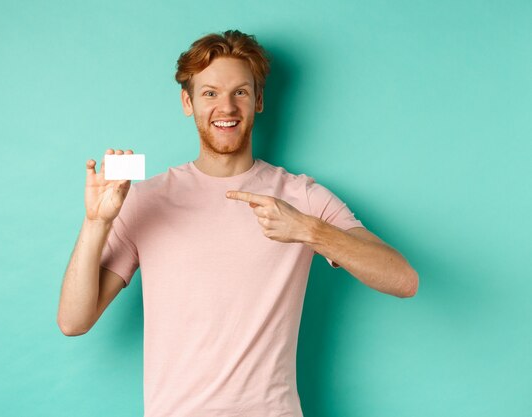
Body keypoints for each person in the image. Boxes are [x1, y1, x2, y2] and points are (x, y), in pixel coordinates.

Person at [57, 29, 419, 417]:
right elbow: (73, 321)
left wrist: (309, 231)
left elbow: (403, 280)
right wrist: (97, 222)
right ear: (187, 101)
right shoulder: (146, 199)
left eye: (240, 92)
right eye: (210, 93)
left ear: (259, 100)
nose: (226, 107)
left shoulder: (300, 197)